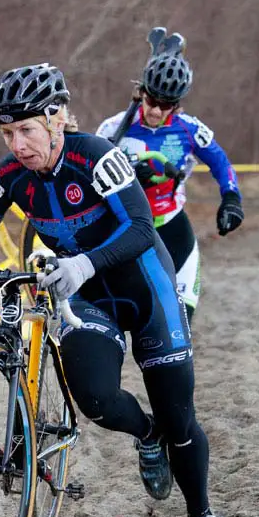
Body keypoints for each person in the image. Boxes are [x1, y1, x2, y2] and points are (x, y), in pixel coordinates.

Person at [0, 63, 223, 517]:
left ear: (57, 118)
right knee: (95, 398)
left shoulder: (97, 156)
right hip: (88, 297)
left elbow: (140, 227)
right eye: (8, 133)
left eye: (26, 130)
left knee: (179, 416)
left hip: (146, 291)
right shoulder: (11, 173)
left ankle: (199, 510)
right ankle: (146, 434)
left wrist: (84, 263)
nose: (17, 144)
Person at [96, 43, 244, 323]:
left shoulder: (189, 129)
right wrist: (126, 179)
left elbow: (221, 164)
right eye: (152, 101)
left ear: (176, 105)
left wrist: (231, 199)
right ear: (142, 94)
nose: (155, 110)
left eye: (165, 105)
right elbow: (90, 179)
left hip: (172, 226)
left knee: (181, 318)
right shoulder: (112, 129)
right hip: (126, 228)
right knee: (123, 318)